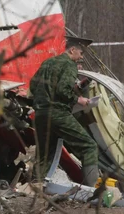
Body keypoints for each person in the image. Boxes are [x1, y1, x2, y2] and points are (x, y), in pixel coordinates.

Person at [30, 36, 99, 186]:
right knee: (89, 146)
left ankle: (36, 188)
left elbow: (33, 86)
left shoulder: (48, 62)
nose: (81, 57)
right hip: (58, 113)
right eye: (81, 53)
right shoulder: (69, 64)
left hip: (41, 115)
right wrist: (78, 99)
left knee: (45, 154)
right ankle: (92, 191)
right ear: (72, 49)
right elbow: (62, 89)